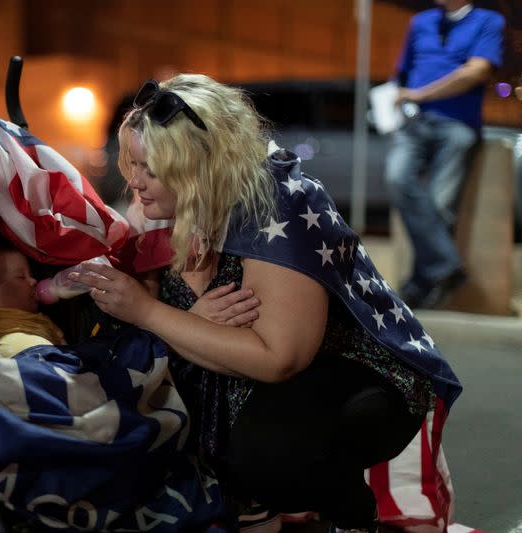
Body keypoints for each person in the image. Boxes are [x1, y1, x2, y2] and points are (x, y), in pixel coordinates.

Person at [69, 74, 462, 533]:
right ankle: (252, 501)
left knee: (267, 451)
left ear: (198, 166)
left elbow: (278, 358)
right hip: (255, 373)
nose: (133, 181)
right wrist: (183, 323)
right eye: (130, 163)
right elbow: (174, 341)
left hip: (352, 371)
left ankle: (352, 516)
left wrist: (151, 313)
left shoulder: (277, 204)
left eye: (151, 169)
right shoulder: (162, 210)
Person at [385, 0, 505, 309]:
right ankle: (446, 268)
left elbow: (476, 72)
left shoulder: (488, 21)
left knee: (440, 205)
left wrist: (420, 93)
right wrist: (397, 98)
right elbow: (402, 73)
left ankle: (420, 286)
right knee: (397, 177)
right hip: (415, 122)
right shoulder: (420, 22)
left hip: (458, 124)